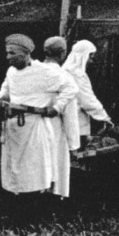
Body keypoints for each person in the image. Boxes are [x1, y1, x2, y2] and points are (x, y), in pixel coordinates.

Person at [0, 33, 77, 198]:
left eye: (12, 53)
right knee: (15, 173)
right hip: (14, 129)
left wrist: (57, 107)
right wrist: (2, 98)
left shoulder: (44, 71)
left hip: (34, 128)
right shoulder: (11, 72)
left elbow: (71, 88)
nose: (8, 57)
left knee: (34, 172)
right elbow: (6, 91)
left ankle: (37, 202)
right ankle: (19, 201)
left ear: (26, 53)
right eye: (7, 53)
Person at [40, 36, 80, 198]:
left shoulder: (32, 73)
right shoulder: (64, 77)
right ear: (63, 53)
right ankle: (52, 199)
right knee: (55, 165)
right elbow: (70, 114)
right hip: (54, 128)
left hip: (33, 127)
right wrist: (73, 145)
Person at [62, 40, 113, 143]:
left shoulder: (63, 71)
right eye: (90, 57)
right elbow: (87, 100)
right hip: (76, 122)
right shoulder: (77, 75)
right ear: (83, 56)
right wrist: (105, 117)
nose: (91, 61)